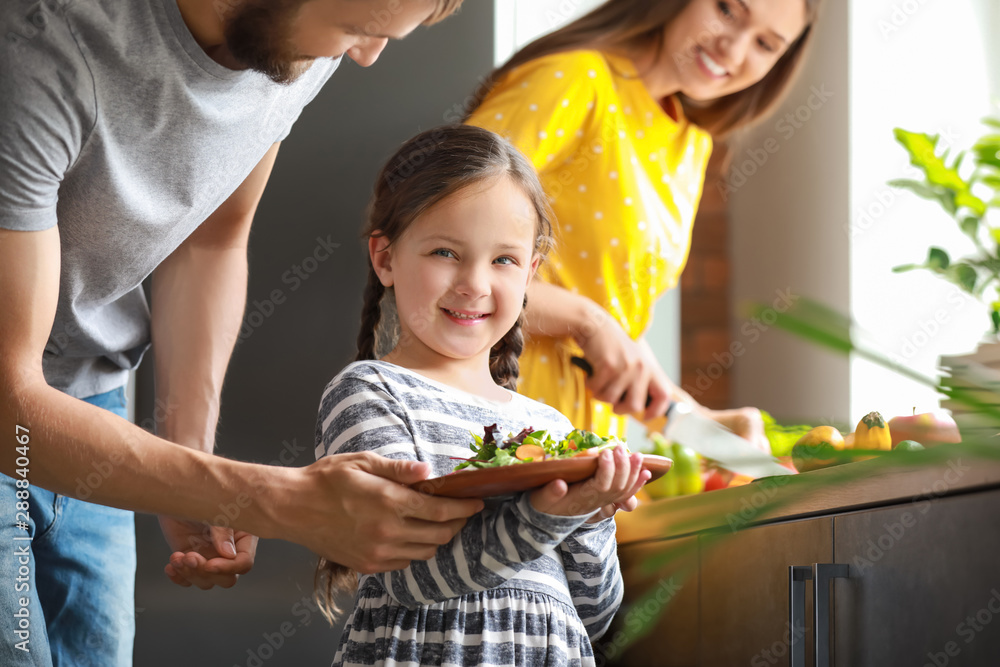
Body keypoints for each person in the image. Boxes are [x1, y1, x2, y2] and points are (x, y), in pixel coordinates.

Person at [0, 1, 482, 665]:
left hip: (96, 393)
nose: (369, 55)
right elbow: (9, 405)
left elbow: (210, 239)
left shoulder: (301, 51)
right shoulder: (39, 48)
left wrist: (190, 453)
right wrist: (280, 502)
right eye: (358, 27)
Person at [314, 125, 649, 667]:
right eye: (446, 251)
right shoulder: (370, 393)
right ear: (385, 258)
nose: (474, 283)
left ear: (530, 274)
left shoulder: (551, 431)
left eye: (504, 260)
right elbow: (411, 576)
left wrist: (589, 517)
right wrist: (544, 514)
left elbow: (593, 614)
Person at [465, 0, 821, 448]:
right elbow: (439, 250)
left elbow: (611, 321)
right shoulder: (574, 79)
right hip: (488, 426)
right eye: (728, 9)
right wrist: (588, 322)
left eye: (766, 44)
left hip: (580, 451)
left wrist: (702, 425)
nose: (733, 49)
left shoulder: (691, 143)